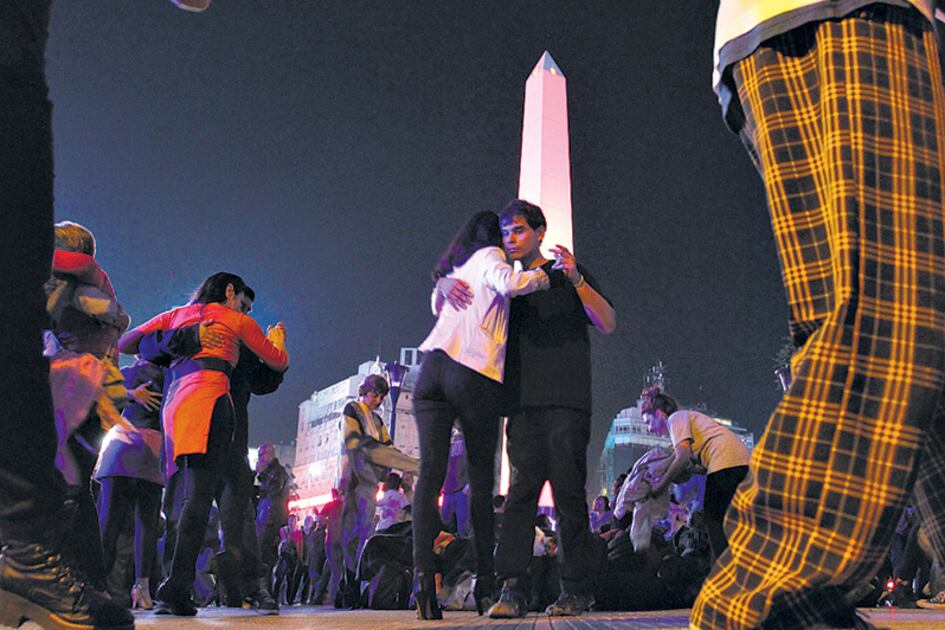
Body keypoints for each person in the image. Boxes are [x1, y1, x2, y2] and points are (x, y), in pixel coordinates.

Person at [693, 2, 945, 628]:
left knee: (888, 320)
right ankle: (763, 600)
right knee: (890, 317)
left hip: (784, 28)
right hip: (854, 16)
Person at [118, 272, 289, 616]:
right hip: (207, 415)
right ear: (230, 292)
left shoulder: (180, 317)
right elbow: (277, 360)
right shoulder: (225, 322)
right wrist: (278, 341)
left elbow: (130, 342)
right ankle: (177, 587)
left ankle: (226, 586)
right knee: (190, 505)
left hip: (195, 420)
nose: (245, 311)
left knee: (222, 508)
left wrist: (186, 336)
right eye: (242, 304)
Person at [414, 210, 551, 620]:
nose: (509, 239)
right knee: (480, 479)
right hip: (471, 371)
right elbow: (509, 283)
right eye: (505, 232)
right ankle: (487, 583)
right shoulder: (492, 257)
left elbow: (435, 303)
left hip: (431, 371)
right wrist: (545, 275)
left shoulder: (455, 269)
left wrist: (441, 282)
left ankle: (423, 579)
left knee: (430, 475)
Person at [485, 199, 616, 618]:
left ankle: (576, 590)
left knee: (569, 497)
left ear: (540, 232)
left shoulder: (566, 275)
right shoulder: (507, 287)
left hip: (566, 403)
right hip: (522, 406)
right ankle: (511, 589)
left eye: (519, 230)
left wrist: (577, 279)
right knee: (519, 498)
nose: (511, 239)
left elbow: (607, 321)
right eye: (506, 232)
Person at [338, 374, 419, 609]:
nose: (378, 400)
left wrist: (402, 464)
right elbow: (355, 444)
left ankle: (353, 586)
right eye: (375, 394)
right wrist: (407, 463)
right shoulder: (352, 409)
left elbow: (388, 448)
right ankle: (350, 587)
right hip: (355, 478)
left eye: (382, 396)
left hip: (369, 481)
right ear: (365, 391)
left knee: (362, 533)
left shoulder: (377, 420)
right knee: (353, 535)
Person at [640, 386, 749, 560]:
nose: (649, 429)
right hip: (741, 463)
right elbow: (697, 467)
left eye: (648, 422)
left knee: (714, 522)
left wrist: (660, 485)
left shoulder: (675, 418)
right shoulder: (689, 422)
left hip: (725, 462)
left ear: (659, 414)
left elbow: (682, 457)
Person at [256, 442, 292, 587]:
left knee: (267, 558)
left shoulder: (278, 472)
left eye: (262, 454)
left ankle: (267, 590)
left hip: (272, 521)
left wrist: (263, 473)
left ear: (269, 454)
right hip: (265, 520)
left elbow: (274, 490)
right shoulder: (267, 473)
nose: (260, 458)